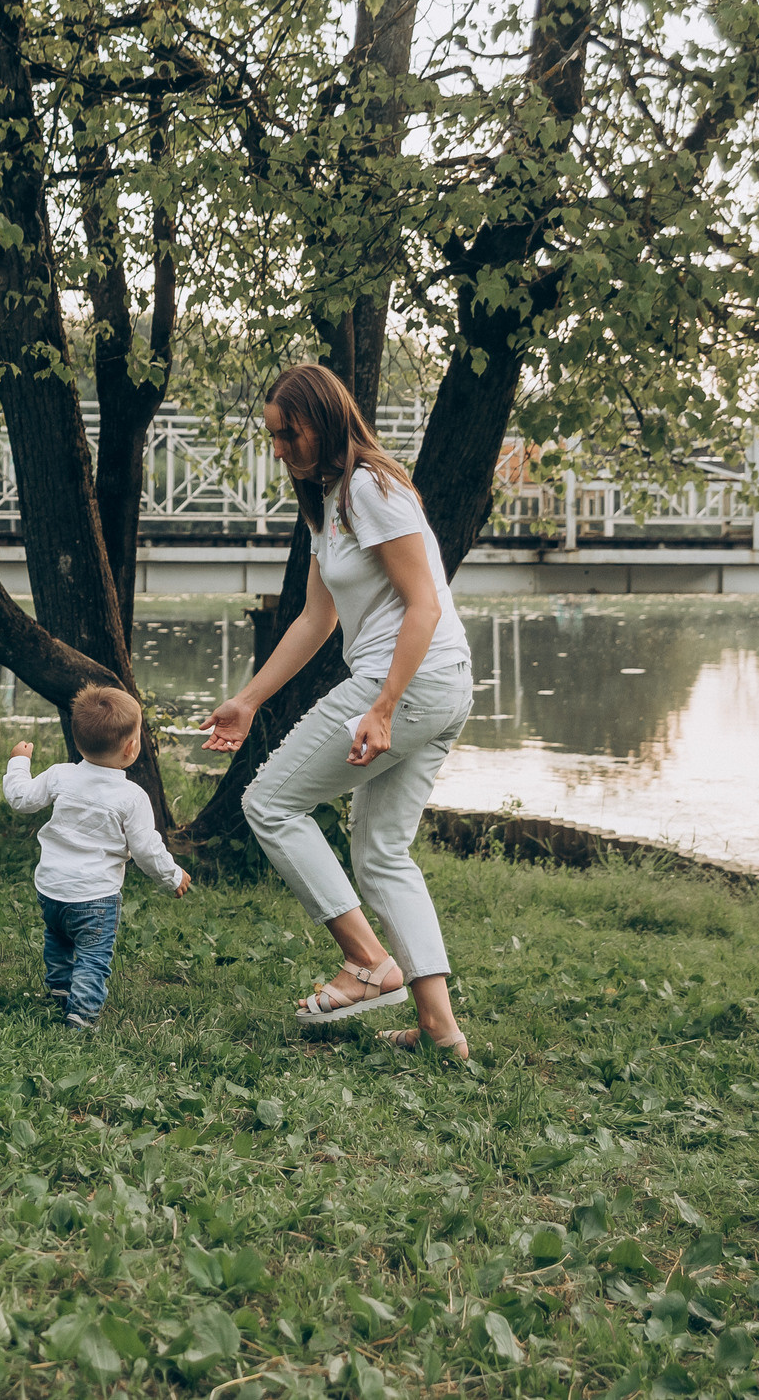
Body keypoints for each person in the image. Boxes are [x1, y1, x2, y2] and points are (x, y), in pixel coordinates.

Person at [199, 363, 475, 1055]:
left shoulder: (369, 486)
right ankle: (440, 1029)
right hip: (435, 685)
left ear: (323, 419)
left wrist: (381, 706)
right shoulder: (329, 500)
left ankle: (367, 963)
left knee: (267, 802)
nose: (281, 447)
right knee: (380, 852)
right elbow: (316, 619)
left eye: (289, 432)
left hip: (405, 681)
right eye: (272, 436)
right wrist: (248, 700)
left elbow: (425, 604)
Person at [3, 685, 190, 1029]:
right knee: (92, 956)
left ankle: (59, 989)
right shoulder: (132, 797)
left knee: (57, 939)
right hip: (95, 898)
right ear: (132, 748)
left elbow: (20, 798)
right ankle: (82, 1014)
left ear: (77, 741)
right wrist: (172, 875)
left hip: (51, 889)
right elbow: (147, 849)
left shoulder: (61, 774)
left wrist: (19, 760)